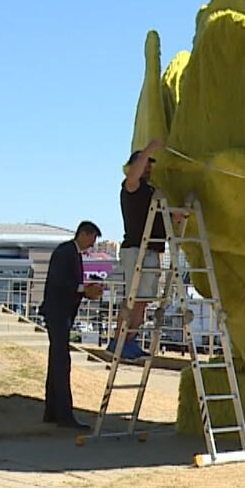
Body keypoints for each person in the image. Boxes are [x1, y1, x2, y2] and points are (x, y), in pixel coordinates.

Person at [41, 220, 103, 429]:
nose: (92, 244)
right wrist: (84, 289)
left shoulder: (72, 253)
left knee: (56, 361)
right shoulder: (65, 252)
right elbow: (60, 282)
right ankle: (63, 414)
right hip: (58, 313)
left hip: (62, 312)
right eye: (92, 239)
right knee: (61, 362)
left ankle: (52, 411)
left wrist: (85, 290)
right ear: (83, 234)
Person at [108, 139, 166, 359]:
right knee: (133, 298)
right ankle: (118, 341)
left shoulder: (151, 191)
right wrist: (149, 149)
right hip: (136, 249)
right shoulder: (131, 187)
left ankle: (129, 340)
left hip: (152, 249)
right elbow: (133, 175)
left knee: (142, 300)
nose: (148, 168)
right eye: (145, 164)